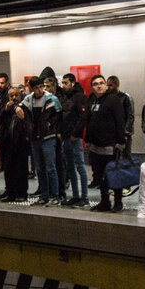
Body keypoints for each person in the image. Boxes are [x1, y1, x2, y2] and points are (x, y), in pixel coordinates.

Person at [84, 75, 128, 211]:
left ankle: (118, 202)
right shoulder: (92, 100)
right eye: (95, 84)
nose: (99, 86)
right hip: (96, 146)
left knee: (113, 175)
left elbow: (120, 121)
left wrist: (120, 142)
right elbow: (89, 120)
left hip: (110, 145)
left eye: (101, 83)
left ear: (105, 85)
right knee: (99, 176)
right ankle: (105, 202)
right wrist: (88, 140)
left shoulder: (113, 100)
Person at [21, 76, 61, 205]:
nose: (39, 90)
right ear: (31, 88)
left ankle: (55, 196)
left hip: (48, 137)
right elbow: (21, 110)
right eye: (36, 88)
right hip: (35, 138)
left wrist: (50, 126)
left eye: (40, 87)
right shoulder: (28, 100)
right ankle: (44, 195)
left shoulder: (51, 99)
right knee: (40, 169)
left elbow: (59, 115)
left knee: (51, 168)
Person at [58, 73, 89, 206]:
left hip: (74, 137)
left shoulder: (80, 97)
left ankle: (84, 197)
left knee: (80, 166)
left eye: (66, 83)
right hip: (65, 137)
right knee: (70, 167)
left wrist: (75, 134)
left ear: (73, 83)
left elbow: (83, 117)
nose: (63, 85)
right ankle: (76, 195)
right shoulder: (65, 97)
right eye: (63, 83)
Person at [0, 86, 31, 202]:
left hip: (20, 145)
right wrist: (6, 110)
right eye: (11, 96)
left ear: (20, 96)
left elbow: (27, 122)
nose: (14, 98)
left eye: (16, 95)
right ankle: (11, 193)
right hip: (7, 145)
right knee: (9, 171)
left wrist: (17, 107)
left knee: (21, 170)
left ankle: (22, 194)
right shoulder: (7, 109)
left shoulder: (23, 108)